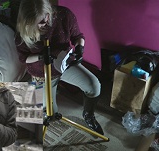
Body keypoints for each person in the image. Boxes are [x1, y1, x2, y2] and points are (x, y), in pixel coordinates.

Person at [14, 0, 104, 134]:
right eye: (36, 24)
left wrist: (80, 49)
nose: (42, 26)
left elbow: (78, 37)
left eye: (44, 20)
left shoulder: (64, 15)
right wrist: (40, 57)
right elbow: (23, 58)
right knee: (51, 114)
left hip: (64, 64)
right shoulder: (22, 30)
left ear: (48, 12)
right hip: (41, 72)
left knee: (94, 86)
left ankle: (89, 115)